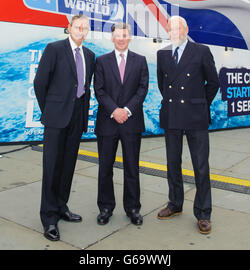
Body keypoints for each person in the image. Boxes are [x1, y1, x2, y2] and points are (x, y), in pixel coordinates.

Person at [34, 14, 95, 241]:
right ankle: (49, 218)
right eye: (78, 27)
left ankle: (61, 207)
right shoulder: (54, 49)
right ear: (69, 28)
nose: (81, 30)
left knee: (68, 166)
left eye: (85, 28)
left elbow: (85, 88)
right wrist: (49, 111)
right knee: (52, 168)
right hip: (56, 119)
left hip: (77, 119)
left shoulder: (90, 55)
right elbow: (40, 83)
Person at [156, 15, 219, 234]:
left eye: (178, 28)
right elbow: (162, 84)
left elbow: (213, 82)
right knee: (172, 163)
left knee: (201, 166)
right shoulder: (162, 54)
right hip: (172, 115)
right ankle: (175, 203)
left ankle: (203, 212)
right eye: (171, 28)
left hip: (196, 116)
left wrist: (200, 104)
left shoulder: (201, 51)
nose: (175, 32)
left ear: (186, 29)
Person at [94, 23, 149, 226]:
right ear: (112, 38)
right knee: (105, 168)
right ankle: (105, 208)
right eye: (117, 35)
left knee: (132, 168)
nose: (121, 38)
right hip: (107, 123)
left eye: (124, 35)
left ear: (130, 37)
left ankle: (133, 208)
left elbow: (142, 89)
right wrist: (114, 111)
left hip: (131, 122)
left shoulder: (141, 61)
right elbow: (98, 90)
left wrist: (126, 110)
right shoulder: (101, 61)